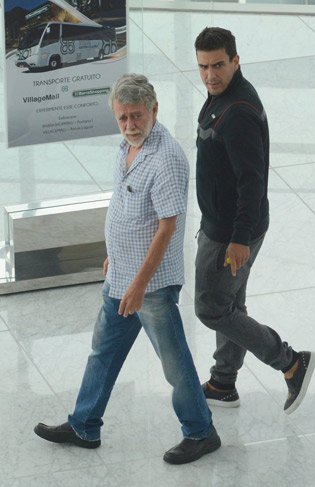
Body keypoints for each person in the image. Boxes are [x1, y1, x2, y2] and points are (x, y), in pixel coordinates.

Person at [34, 74, 220, 464]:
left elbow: (167, 227)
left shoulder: (166, 159)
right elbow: (127, 208)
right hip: (121, 274)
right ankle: (84, 424)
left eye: (137, 116)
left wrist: (139, 284)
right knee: (103, 352)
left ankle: (202, 433)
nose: (130, 125)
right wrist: (115, 254)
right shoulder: (127, 146)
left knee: (174, 364)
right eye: (123, 118)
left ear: (154, 110)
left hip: (149, 286)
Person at [193, 27, 315, 414]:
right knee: (231, 306)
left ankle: (291, 362)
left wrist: (239, 238)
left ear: (236, 61)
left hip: (230, 232)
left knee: (212, 308)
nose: (210, 75)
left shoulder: (238, 112)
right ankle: (222, 382)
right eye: (203, 67)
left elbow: (252, 180)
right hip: (228, 225)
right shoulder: (222, 96)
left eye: (218, 65)